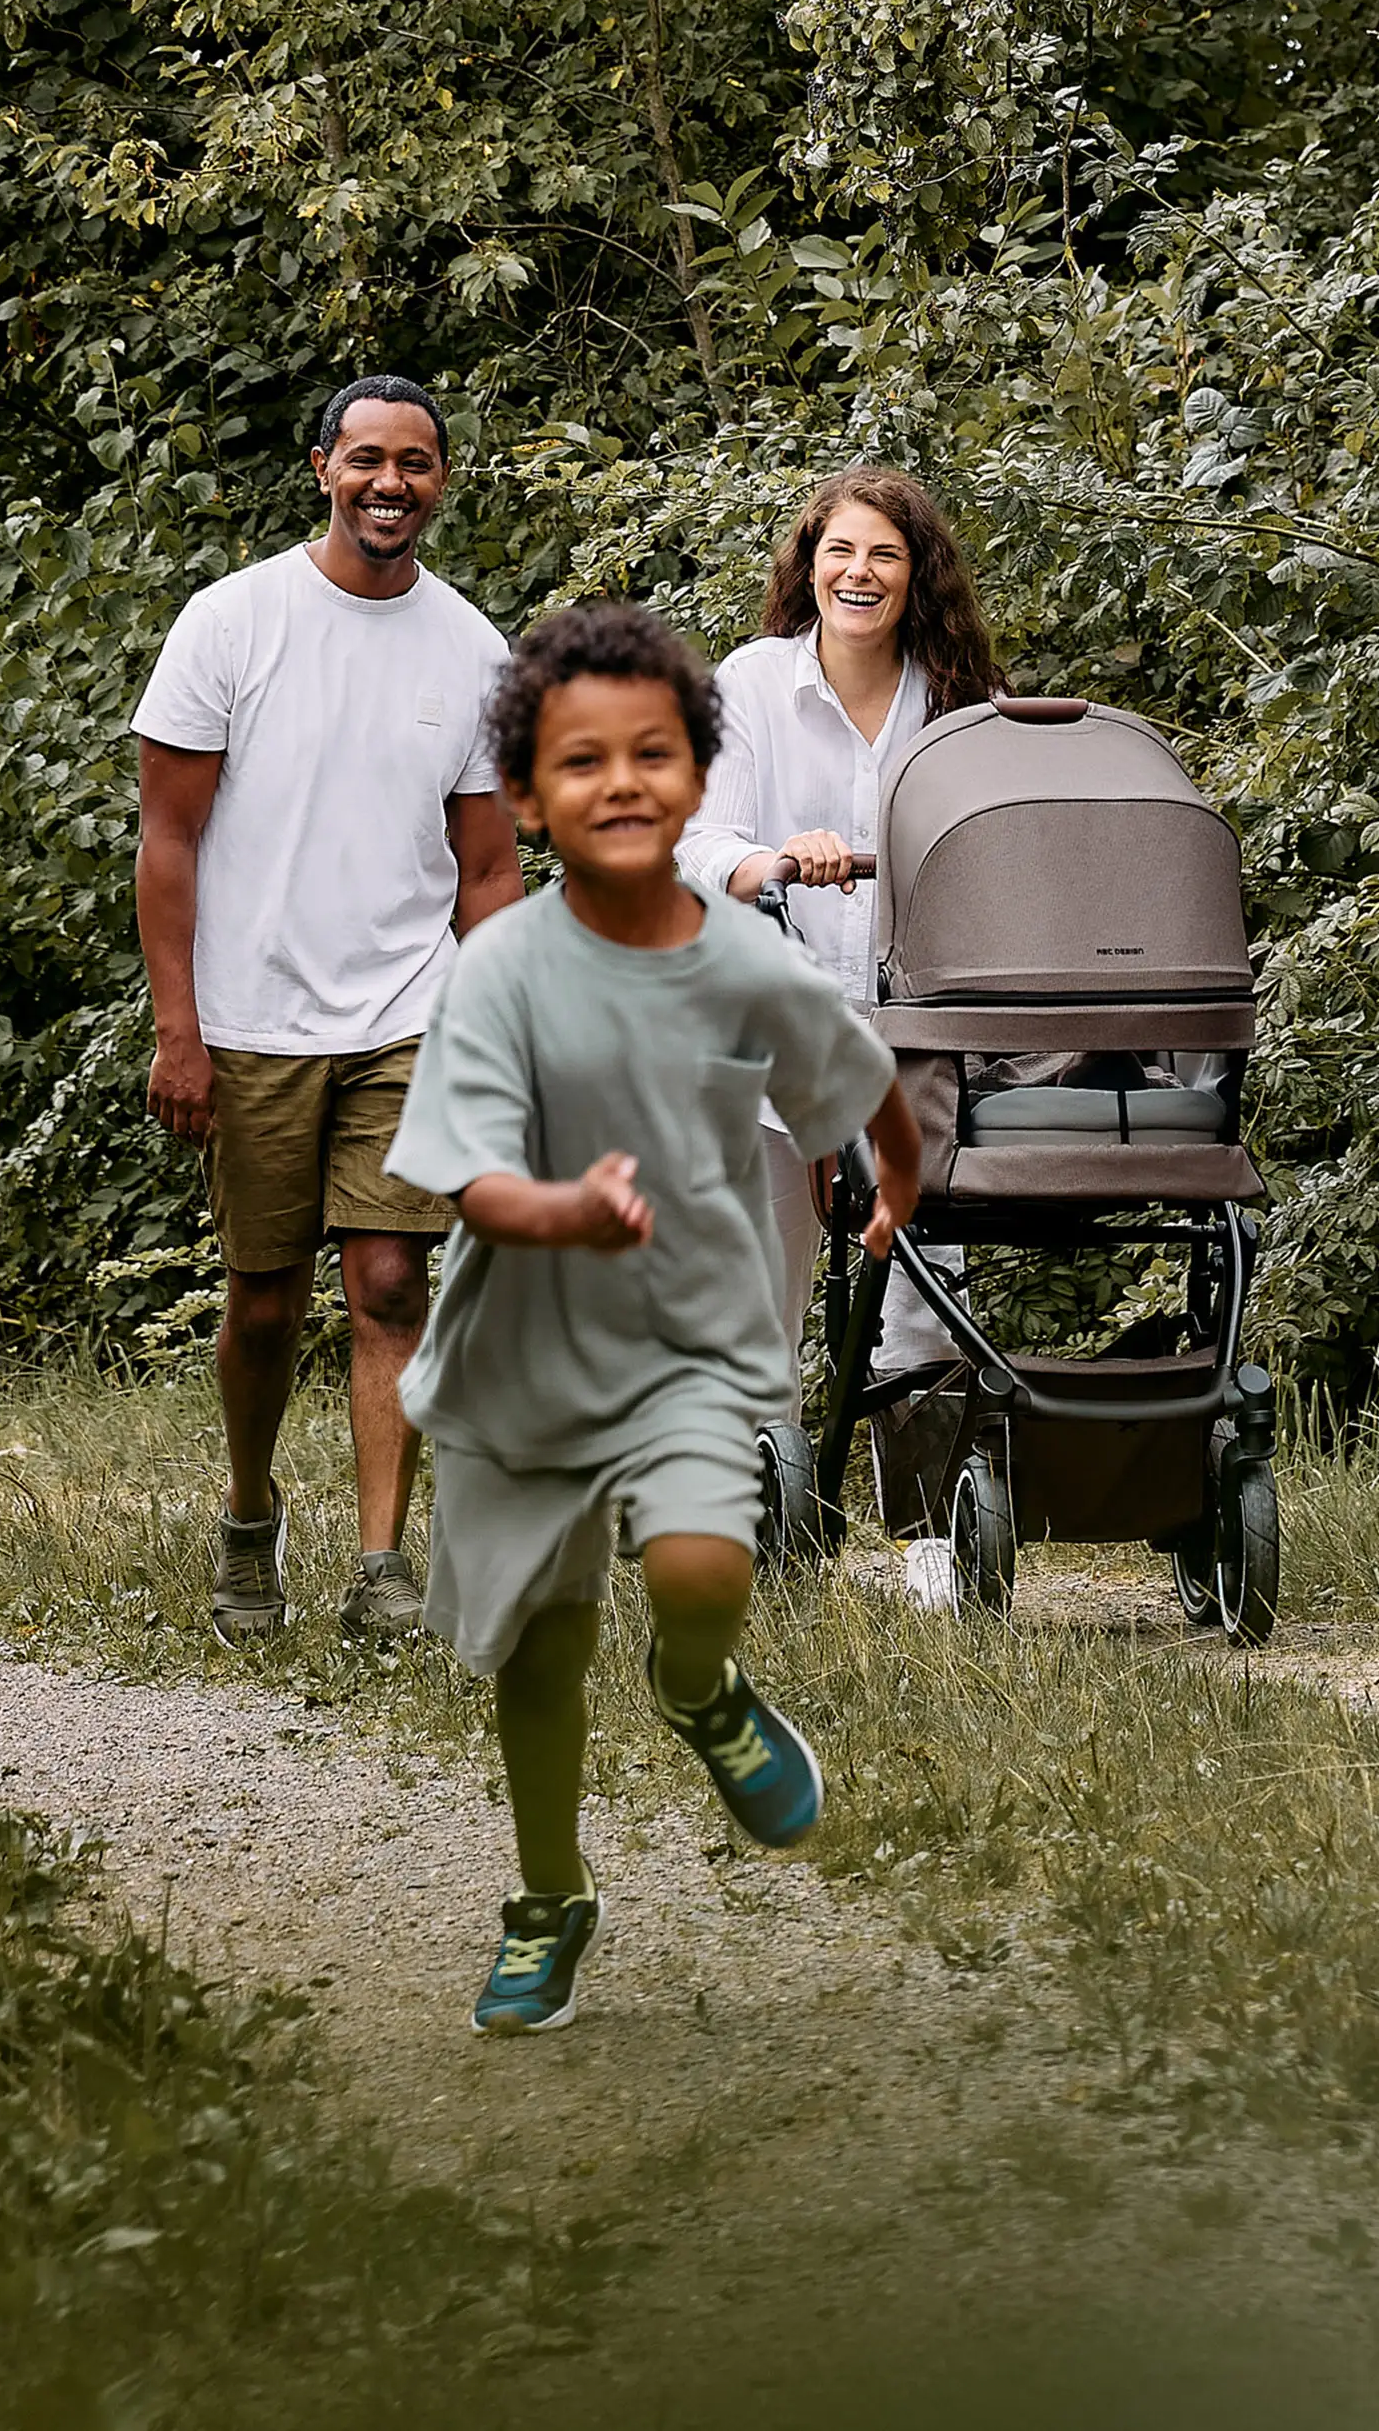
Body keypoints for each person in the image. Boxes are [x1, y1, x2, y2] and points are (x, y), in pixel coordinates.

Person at [385, 603, 922, 2034]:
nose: (620, 783)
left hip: (686, 1334)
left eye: (652, 755)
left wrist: (902, 1180)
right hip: (528, 1351)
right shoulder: (498, 969)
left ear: (697, 778)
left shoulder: (744, 957)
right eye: (580, 762)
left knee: (698, 1565)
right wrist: (562, 1210)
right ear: (526, 797)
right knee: (543, 1648)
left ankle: (702, 1688)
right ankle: (549, 1896)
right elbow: (471, 1176)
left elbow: (855, 1070)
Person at [134, 374, 525, 1647]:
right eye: (367, 459)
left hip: (407, 1014)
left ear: (442, 483)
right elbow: (169, 841)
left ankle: (379, 1564)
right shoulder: (232, 623)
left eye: (415, 463)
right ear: (322, 470)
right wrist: (178, 1032)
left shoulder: (471, 651)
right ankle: (251, 1520)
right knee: (260, 1298)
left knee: (391, 1278)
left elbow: (486, 872)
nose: (389, 484)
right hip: (250, 1019)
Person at [673, 466, 999, 1600]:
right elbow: (697, 838)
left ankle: (925, 1551)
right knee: (765, 1288)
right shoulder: (753, 684)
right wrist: (767, 861)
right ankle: (767, 1527)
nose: (858, 574)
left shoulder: (953, 698)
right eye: (839, 553)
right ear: (806, 566)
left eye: (884, 557)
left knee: (921, 1287)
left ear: (917, 581)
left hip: (910, 1038)